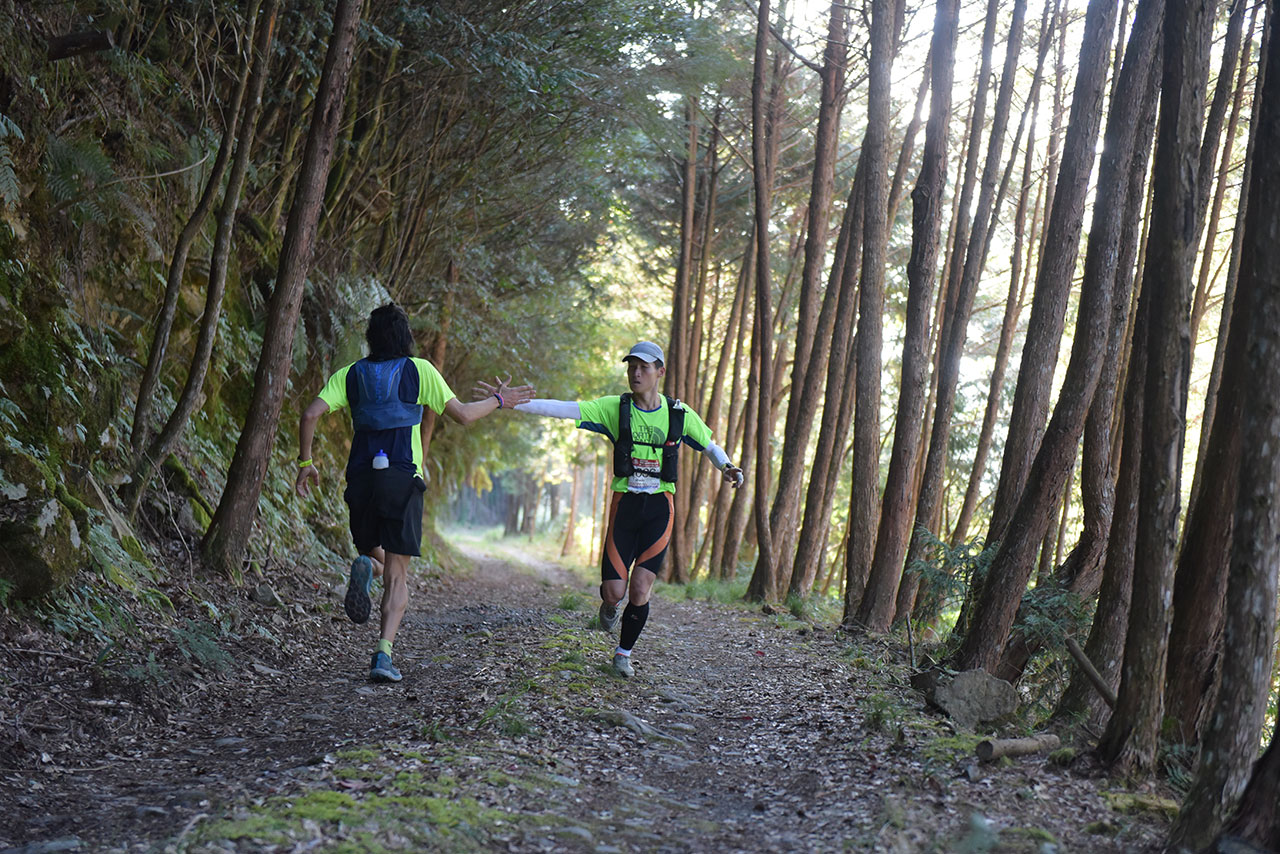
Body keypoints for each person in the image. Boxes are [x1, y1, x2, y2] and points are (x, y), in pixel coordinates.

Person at [296, 303, 533, 683]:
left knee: (374, 551)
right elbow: (465, 415)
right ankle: (382, 656)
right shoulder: (420, 370)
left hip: (360, 481)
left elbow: (309, 415)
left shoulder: (350, 374)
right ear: (406, 336)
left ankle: (369, 567)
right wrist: (501, 400)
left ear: (371, 339)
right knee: (399, 574)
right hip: (402, 480)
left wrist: (306, 462)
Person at [495, 340, 743, 678]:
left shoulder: (678, 414)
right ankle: (609, 608)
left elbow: (710, 446)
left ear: (660, 372)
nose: (636, 373)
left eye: (643, 367)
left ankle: (623, 654)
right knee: (615, 591)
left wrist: (727, 466)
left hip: (660, 508)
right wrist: (512, 404)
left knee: (640, 588)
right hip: (624, 506)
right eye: (631, 367)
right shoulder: (616, 408)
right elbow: (567, 409)